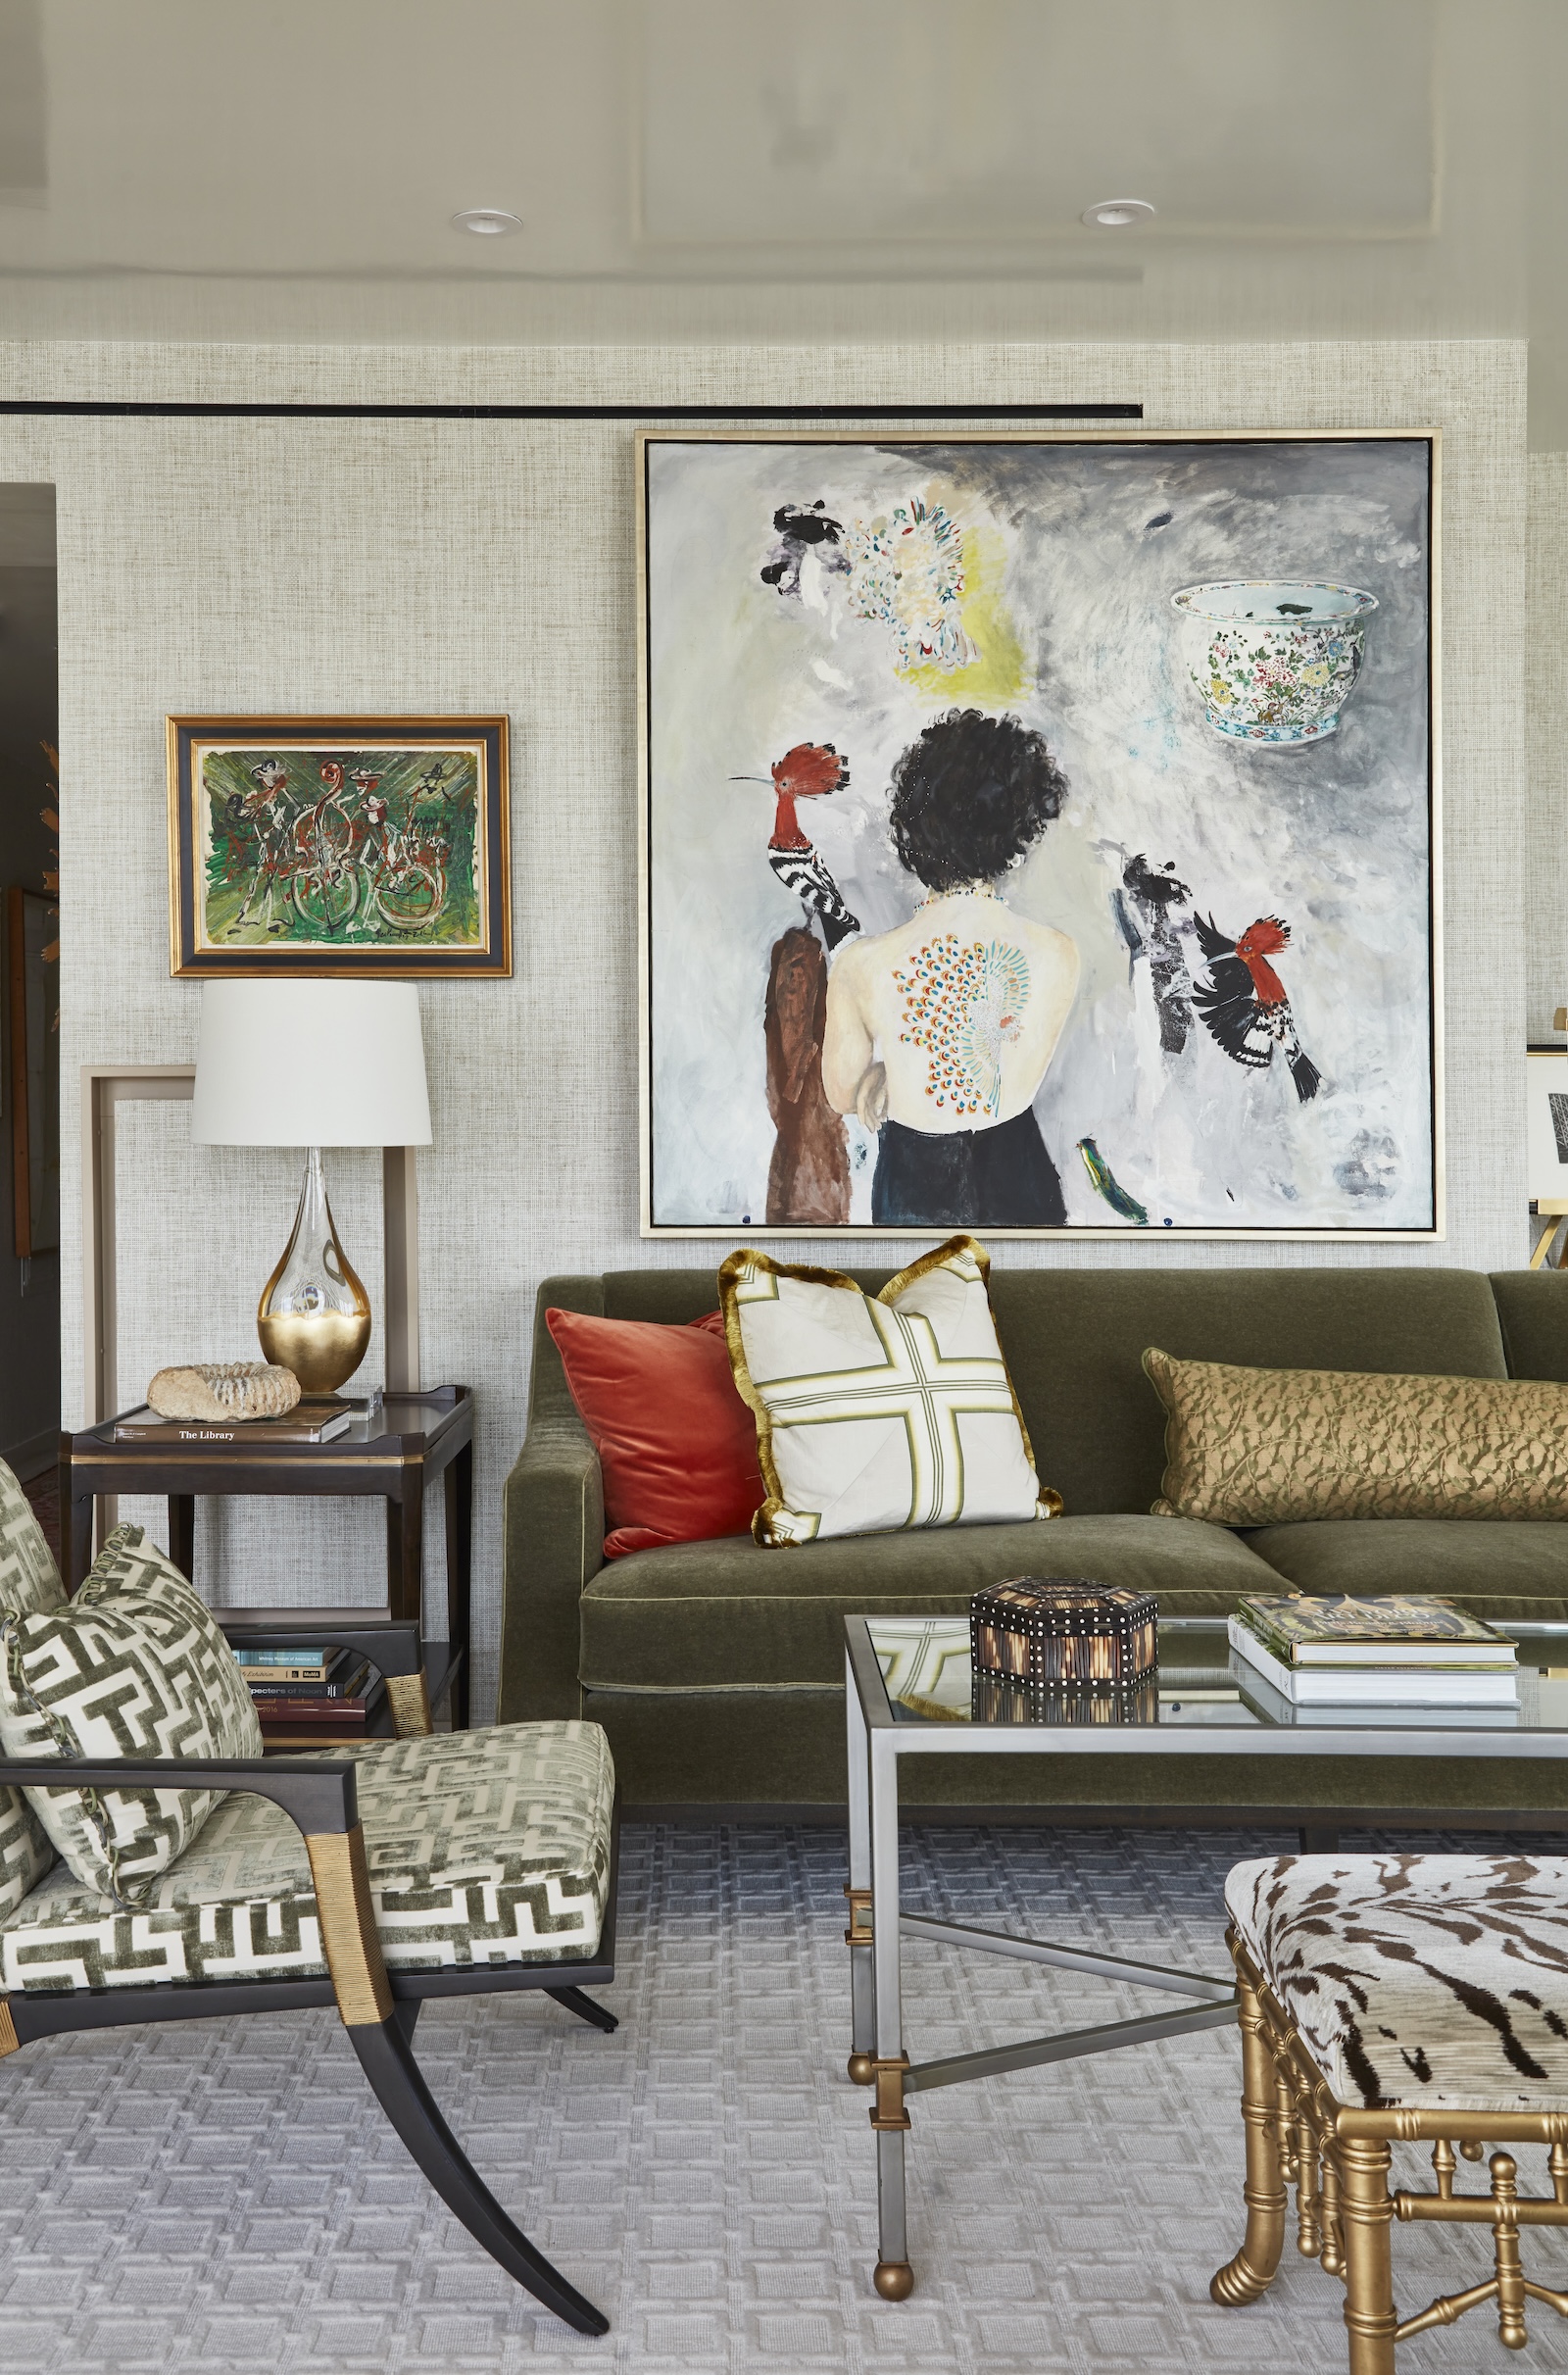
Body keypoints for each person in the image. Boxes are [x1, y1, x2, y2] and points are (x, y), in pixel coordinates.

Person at [822, 709, 1079, 1227]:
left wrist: (886, 1075)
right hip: (1021, 1175)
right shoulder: (1058, 953)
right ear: (1017, 832)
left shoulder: (860, 965)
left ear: (914, 831)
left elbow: (843, 1093)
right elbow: (1007, 1065)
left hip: (914, 1182)